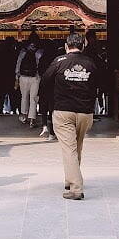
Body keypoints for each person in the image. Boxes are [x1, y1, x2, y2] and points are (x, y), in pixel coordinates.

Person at [40, 31, 104, 200]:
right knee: (77, 146)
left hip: (63, 110)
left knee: (69, 149)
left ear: (66, 46)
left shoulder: (59, 62)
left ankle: (76, 188)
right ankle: (70, 178)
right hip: (85, 112)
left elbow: (45, 81)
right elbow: (99, 83)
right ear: (83, 46)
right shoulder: (91, 63)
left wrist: (46, 105)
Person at [15, 37, 44, 125]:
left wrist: (17, 76)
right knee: (33, 98)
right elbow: (41, 65)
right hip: (35, 77)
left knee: (24, 97)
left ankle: (24, 115)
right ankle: (32, 118)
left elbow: (18, 63)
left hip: (23, 77)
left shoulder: (23, 52)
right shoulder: (39, 52)